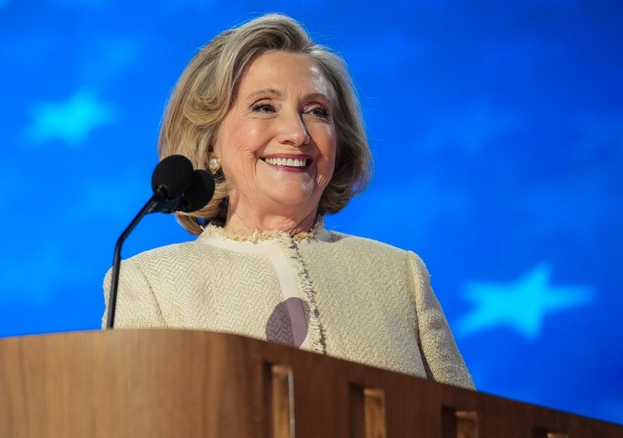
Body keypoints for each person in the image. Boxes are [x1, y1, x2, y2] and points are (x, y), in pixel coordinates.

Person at [103, 13, 474, 389]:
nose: (297, 134)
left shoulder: (399, 276)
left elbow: (468, 422)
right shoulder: (151, 283)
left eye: (316, 112)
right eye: (264, 107)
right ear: (210, 140)